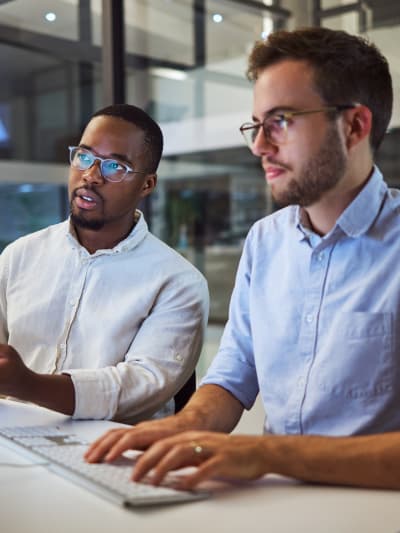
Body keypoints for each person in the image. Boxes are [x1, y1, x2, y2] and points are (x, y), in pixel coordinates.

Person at [85, 27, 400, 489]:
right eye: (256, 126)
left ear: (354, 125)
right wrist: (178, 429)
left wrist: (266, 452)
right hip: (276, 505)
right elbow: (233, 375)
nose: (258, 146)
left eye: (281, 122)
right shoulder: (265, 241)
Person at [0, 104, 209, 423]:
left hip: (114, 452)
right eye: (84, 157)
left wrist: (29, 386)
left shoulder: (178, 281)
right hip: (13, 439)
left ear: (147, 185)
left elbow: (141, 387)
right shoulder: (19, 256)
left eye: (115, 167)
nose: (91, 175)